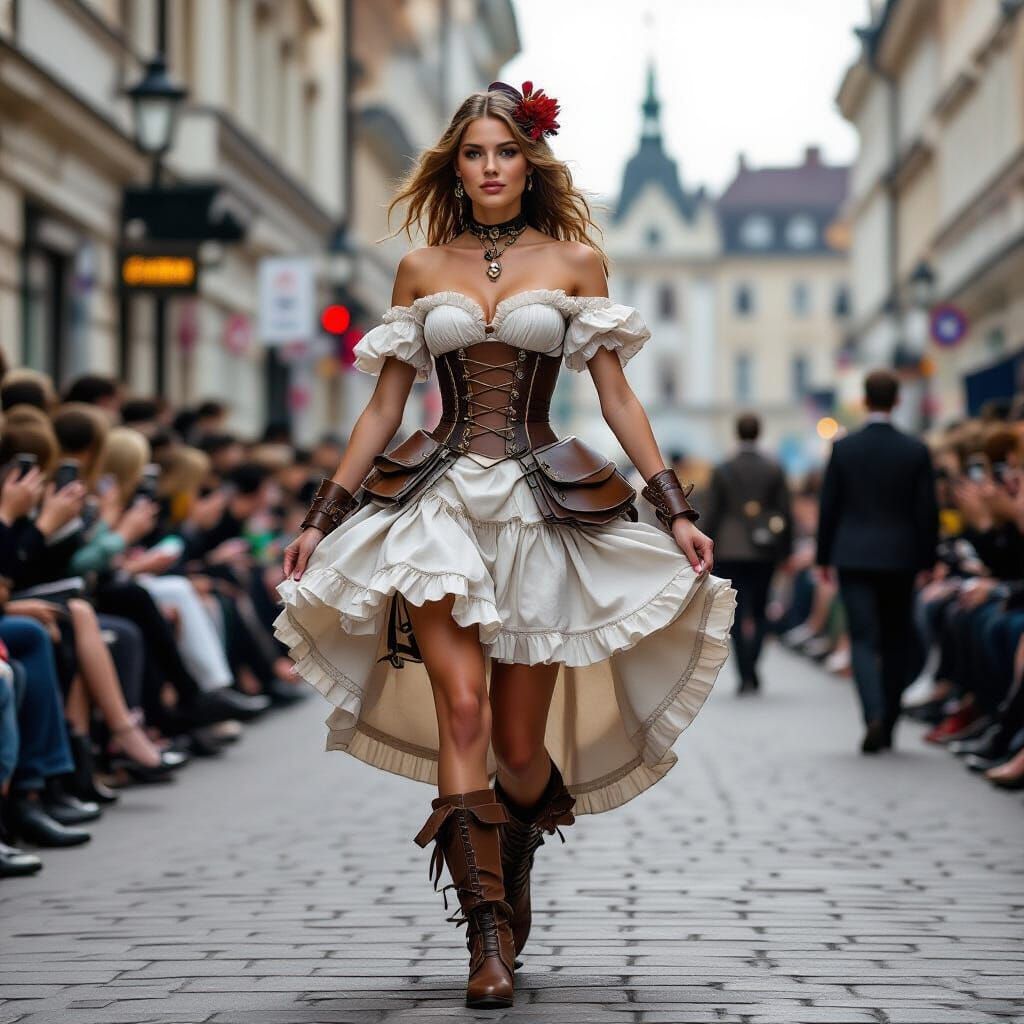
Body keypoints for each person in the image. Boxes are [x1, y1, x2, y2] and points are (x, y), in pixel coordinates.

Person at [275, 79, 737, 1010]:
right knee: (462, 711)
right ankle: (486, 937)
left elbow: (615, 397)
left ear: (531, 163)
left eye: (506, 153)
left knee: (520, 746)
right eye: (475, 154)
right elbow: (385, 406)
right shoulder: (420, 268)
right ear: (458, 164)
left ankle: (514, 844)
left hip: (538, 511)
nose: (490, 169)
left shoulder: (575, 262)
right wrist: (321, 515)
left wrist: (674, 505)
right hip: (437, 507)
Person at [816, 369, 939, 754]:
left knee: (864, 640)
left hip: (853, 555)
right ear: (897, 401)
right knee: (896, 638)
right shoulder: (915, 449)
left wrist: (824, 556)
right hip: (901, 557)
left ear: (865, 401)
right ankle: (890, 720)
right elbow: (926, 511)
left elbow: (829, 507)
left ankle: (871, 715)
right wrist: (928, 558)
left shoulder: (844, 448)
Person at [703, 411, 792, 694]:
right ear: (759, 433)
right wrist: (785, 551)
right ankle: (754, 663)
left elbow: (713, 513)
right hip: (764, 548)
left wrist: (706, 545)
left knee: (736, 614)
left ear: (737, 433)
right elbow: (784, 512)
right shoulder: (773, 468)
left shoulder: (723, 468)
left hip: (729, 548)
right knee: (762, 609)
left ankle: (744, 673)